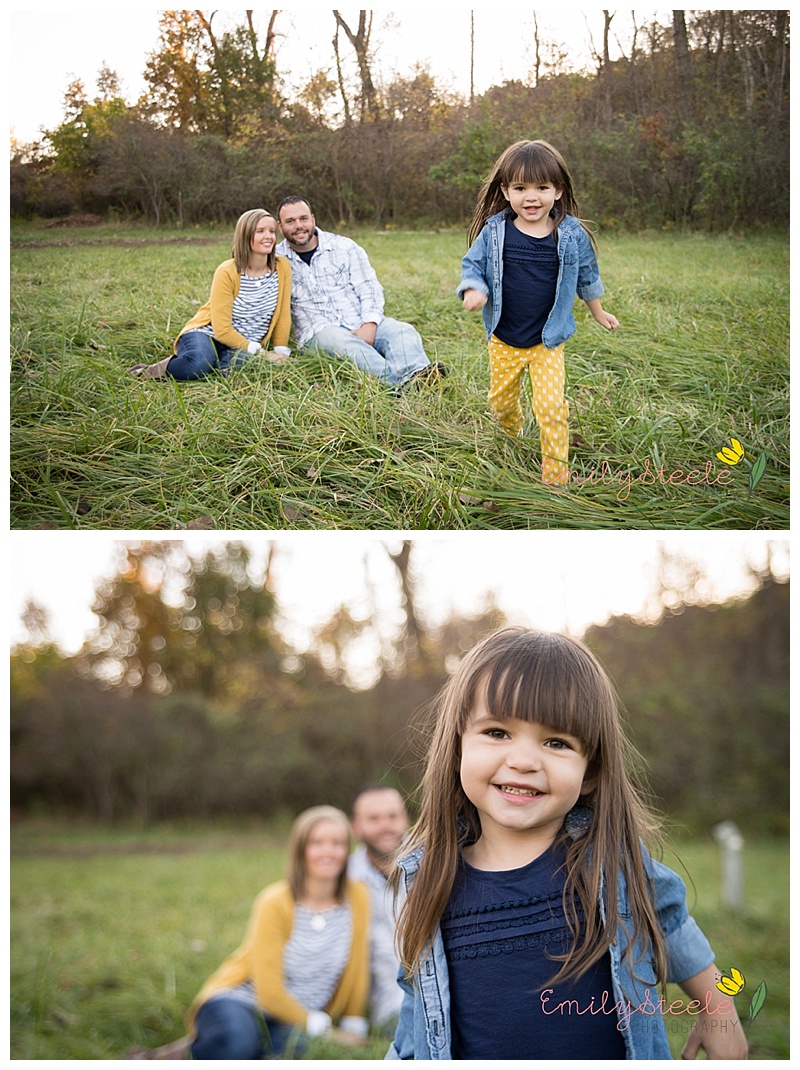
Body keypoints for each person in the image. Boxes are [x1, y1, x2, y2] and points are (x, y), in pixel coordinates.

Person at [386, 628, 748, 1060]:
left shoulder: (610, 867)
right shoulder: (430, 881)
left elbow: (670, 920)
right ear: (458, 746)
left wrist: (717, 1011)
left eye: (556, 742)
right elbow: (421, 1015)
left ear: (590, 771)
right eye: (497, 732)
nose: (523, 761)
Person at [457, 140, 619, 486]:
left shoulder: (571, 235)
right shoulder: (495, 232)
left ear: (557, 191)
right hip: (504, 339)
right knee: (501, 403)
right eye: (520, 188)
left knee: (550, 407)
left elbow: (588, 274)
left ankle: (556, 477)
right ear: (506, 191)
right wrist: (474, 288)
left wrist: (598, 311)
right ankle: (511, 436)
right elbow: (473, 264)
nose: (532, 197)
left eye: (541, 187)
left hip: (547, 340)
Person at [186, 805, 370, 1059]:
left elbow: (357, 965)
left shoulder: (357, 896)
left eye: (337, 843)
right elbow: (268, 992)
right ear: (300, 850)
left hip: (295, 1018)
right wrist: (324, 1028)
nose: (328, 852)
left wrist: (353, 1020)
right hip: (244, 1000)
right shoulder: (275, 901)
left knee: (306, 1052)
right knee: (237, 1045)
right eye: (317, 843)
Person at [276, 196, 446, 389]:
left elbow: (369, 287)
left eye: (303, 218)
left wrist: (370, 323)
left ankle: (420, 375)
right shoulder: (275, 260)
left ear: (313, 219)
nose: (298, 225)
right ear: (280, 227)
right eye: (290, 221)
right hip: (319, 331)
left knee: (402, 331)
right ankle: (403, 384)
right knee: (342, 343)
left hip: (359, 318)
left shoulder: (344, 247)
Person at [129, 208, 291, 381]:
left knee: (236, 368)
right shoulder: (227, 271)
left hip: (242, 346)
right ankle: (149, 371)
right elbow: (222, 330)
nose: (269, 236)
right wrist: (262, 353)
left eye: (272, 231)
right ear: (245, 235)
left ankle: (216, 365)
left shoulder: (281, 267)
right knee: (197, 364)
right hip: (209, 335)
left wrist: (280, 353)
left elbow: (282, 314)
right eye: (260, 231)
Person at [348, 785, 409, 1031]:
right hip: (385, 1010)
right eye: (374, 818)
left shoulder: (436, 869)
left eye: (393, 816)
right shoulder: (345, 882)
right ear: (356, 827)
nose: (386, 826)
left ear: (406, 819)